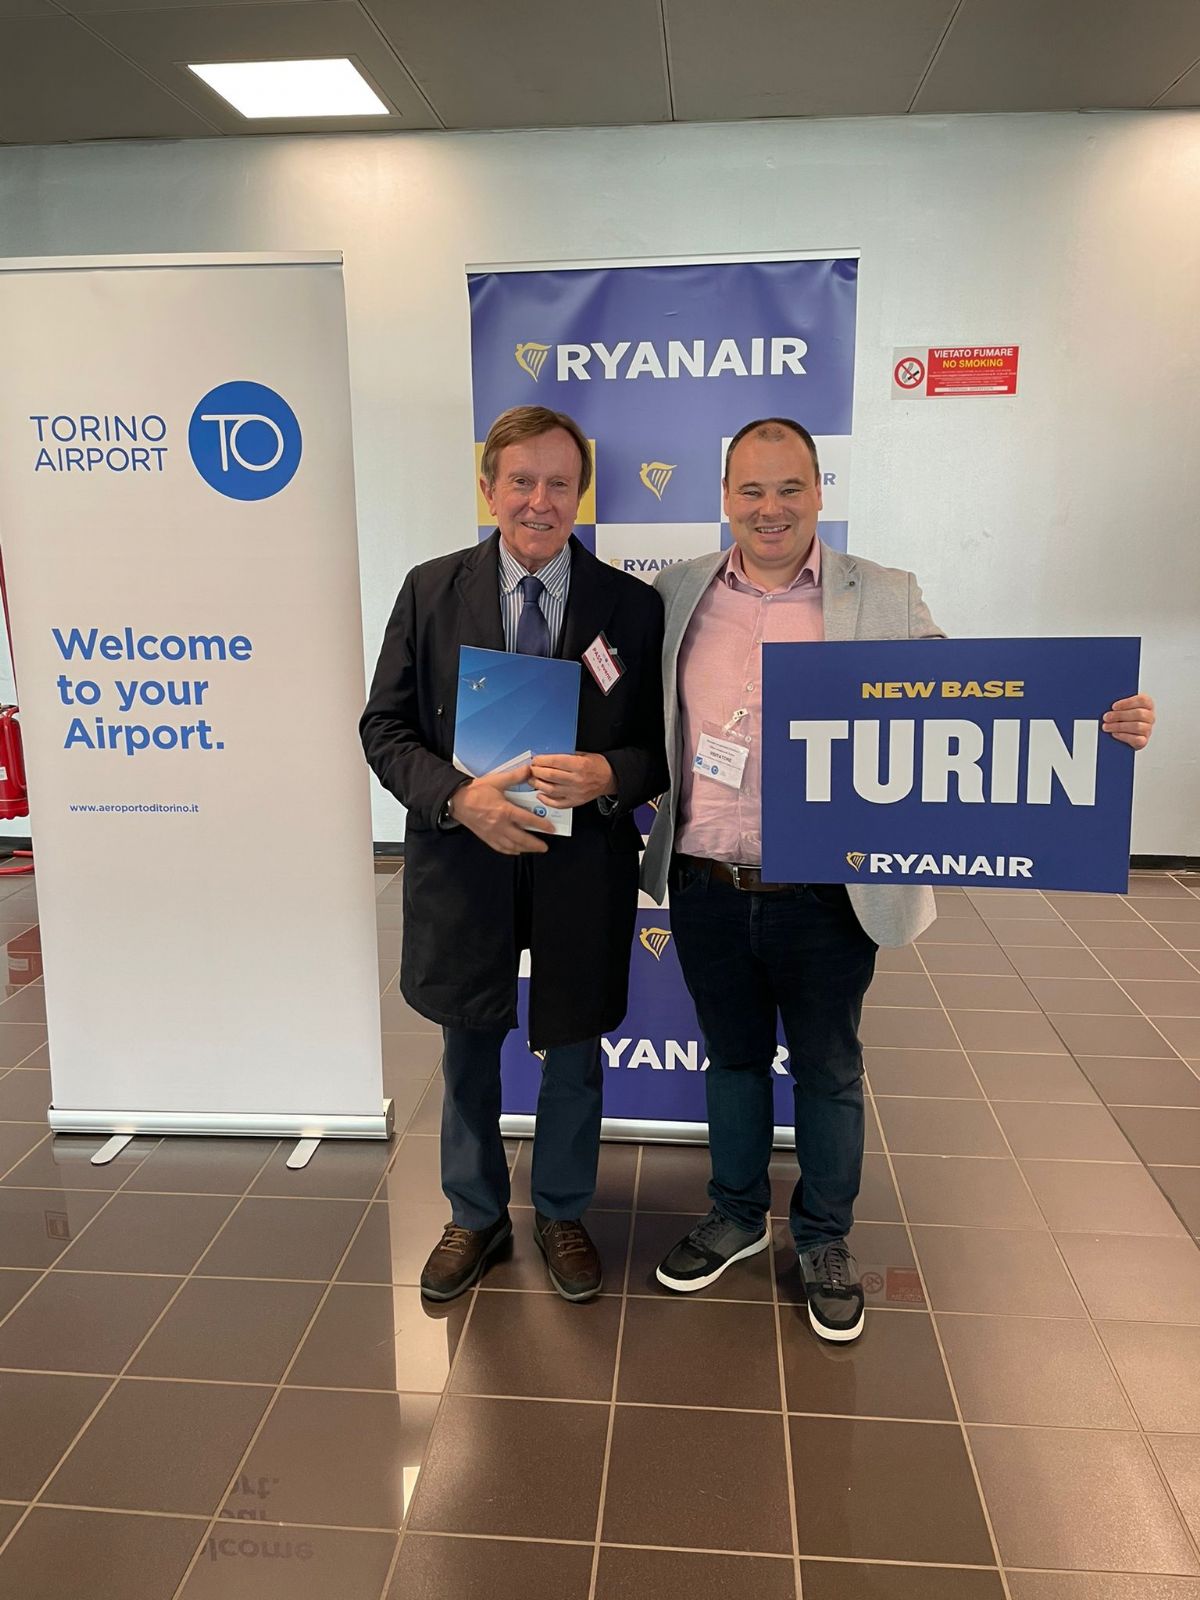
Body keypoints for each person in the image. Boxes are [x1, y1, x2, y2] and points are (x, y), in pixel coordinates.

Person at [640, 416, 1156, 1342]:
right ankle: (735, 1216)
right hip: (707, 879)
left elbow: (975, 701)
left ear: (819, 492)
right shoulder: (676, 592)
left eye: (789, 488)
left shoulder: (883, 593)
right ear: (724, 498)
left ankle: (824, 1238)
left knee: (830, 1069)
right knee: (733, 1060)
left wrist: (1097, 716)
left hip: (828, 892)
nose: (769, 508)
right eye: (751, 490)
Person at [361, 405, 667, 1305]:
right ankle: (475, 1213)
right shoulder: (430, 590)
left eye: (559, 484)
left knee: (573, 1048)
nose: (541, 501)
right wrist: (460, 799)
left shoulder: (632, 607)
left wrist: (611, 772)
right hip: (466, 863)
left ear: (581, 494)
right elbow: (384, 728)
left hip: (581, 871)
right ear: (488, 488)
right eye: (522, 481)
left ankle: (563, 1210)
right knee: (468, 1046)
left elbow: (661, 746)